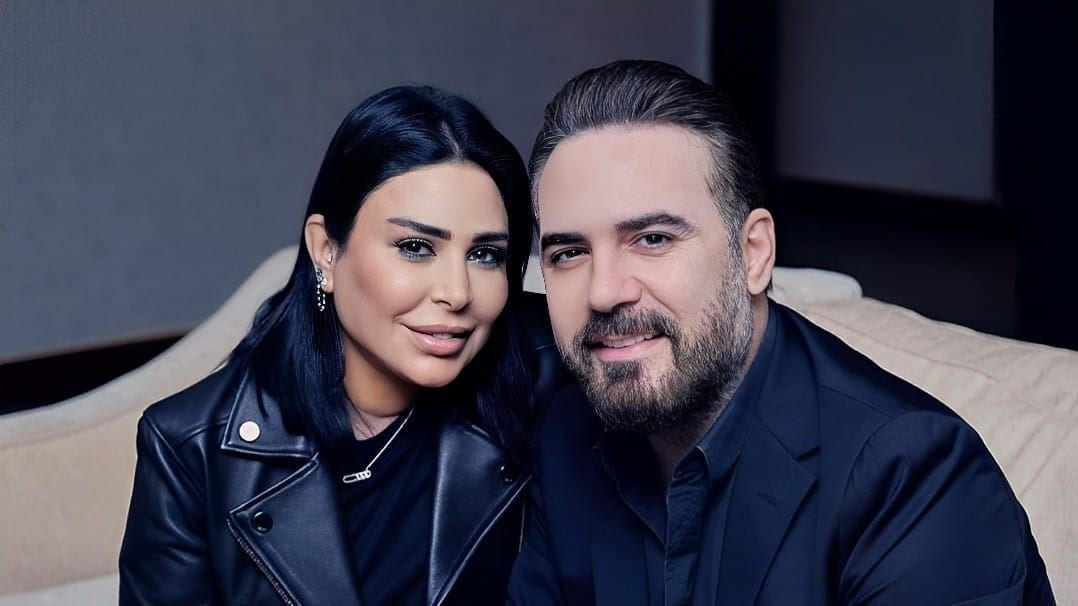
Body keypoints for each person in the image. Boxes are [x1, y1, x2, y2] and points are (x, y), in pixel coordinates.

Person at [508, 60, 1055, 605]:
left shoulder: (912, 475)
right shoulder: (565, 433)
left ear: (754, 254)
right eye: (569, 253)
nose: (604, 292)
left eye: (652, 239)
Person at [119, 86, 535, 605]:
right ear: (326, 251)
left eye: (485, 255)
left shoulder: (546, 380)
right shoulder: (193, 449)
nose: (457, 292)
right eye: (415, 247)